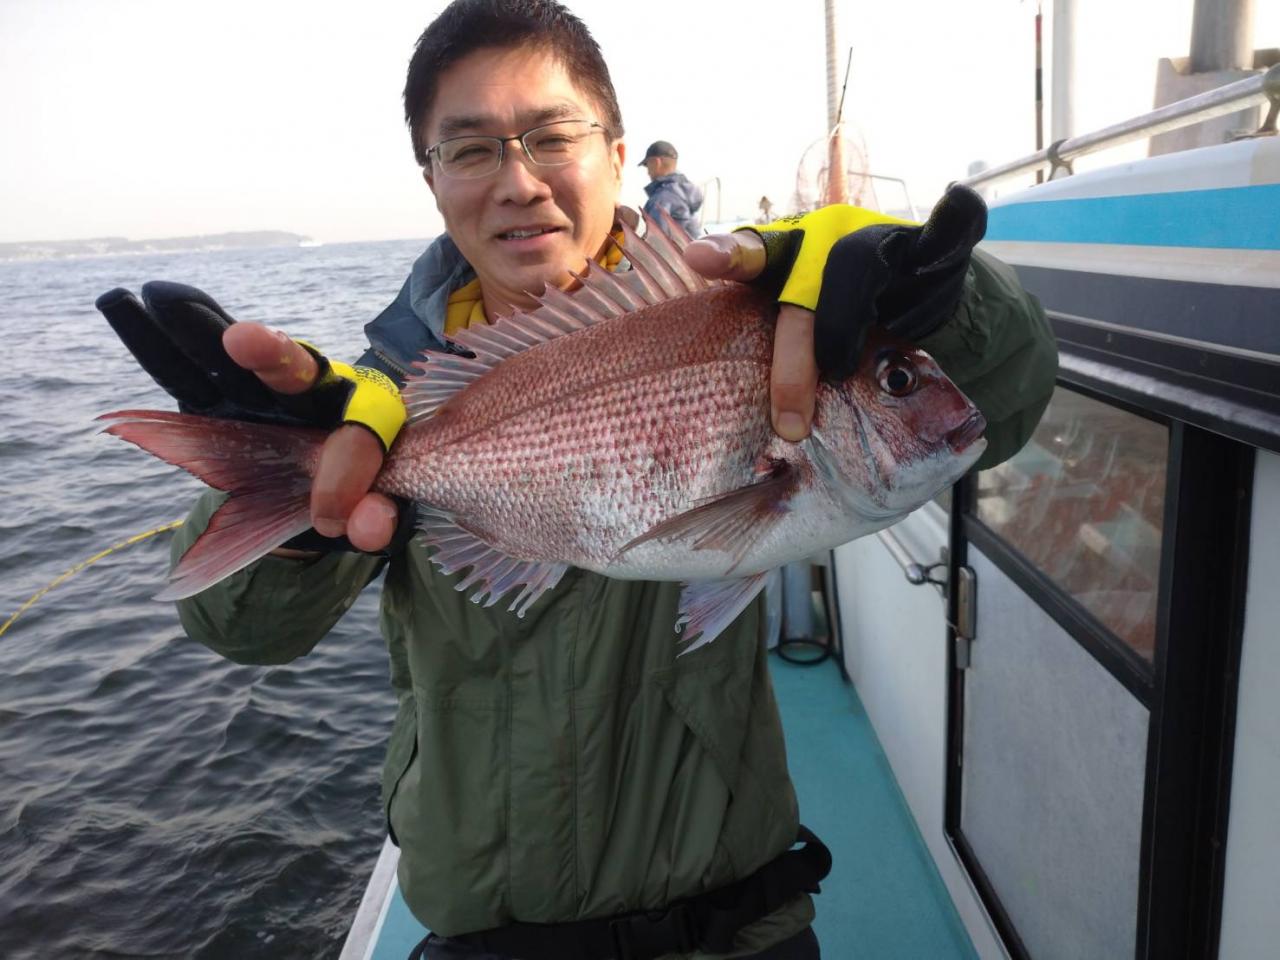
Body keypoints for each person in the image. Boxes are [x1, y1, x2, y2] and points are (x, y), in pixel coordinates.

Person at [97, 2, 1057, 958]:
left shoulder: (767, 312)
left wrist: (939, 306)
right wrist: (307, 506)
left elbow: (1005, 401)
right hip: (487, 942)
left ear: (617, 152)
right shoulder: (384, 405)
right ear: (431, 178)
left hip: (737, 927)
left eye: (553, 137)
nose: (519, 183)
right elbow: (241, 632)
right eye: (469, 149)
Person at [640, 140, 704, 238]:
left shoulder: (662, 198)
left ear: (657, 163)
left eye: (647, 165)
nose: (648, 172)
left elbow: (656, 241)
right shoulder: (683, 192)